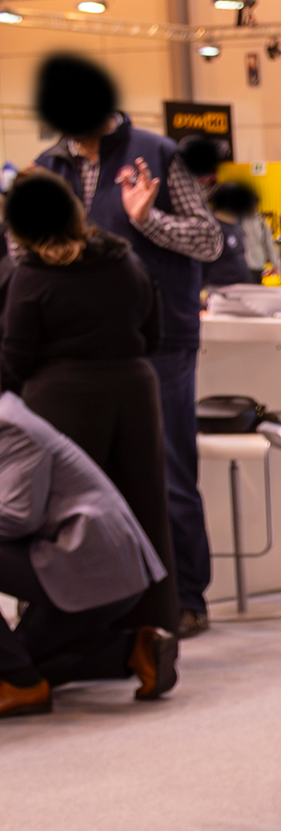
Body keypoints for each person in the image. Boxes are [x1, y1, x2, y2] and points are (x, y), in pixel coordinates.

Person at [28, 56, 222, 638]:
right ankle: (116, 607)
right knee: (90, 478)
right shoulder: (48, 168)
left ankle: (188, 597)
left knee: (168, 470)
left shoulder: (158, 154)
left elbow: (208, 238)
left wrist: (147, 220)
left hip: (159, 340)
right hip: (77, 348)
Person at [0, 170, 178, 633]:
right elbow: (154, 333)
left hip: (62, 401)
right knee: (144, 517)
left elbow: (14, 359)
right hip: (136, 394)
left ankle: (71, 646)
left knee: (66, 528)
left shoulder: (32, 278)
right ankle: (152, 635)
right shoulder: (127, 261)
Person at [0, 388, 178, 717]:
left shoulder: (10, 424)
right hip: (96, 567)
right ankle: (135, 651)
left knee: (16, 667)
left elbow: (18, 516)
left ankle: (22, 685)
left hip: (91, 565)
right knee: (28, 659)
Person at [204, 182, 279, 289]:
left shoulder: (258, 222)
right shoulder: (219, 227)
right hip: (224, 287)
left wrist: (276, 265)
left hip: (254, 269)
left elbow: (268, 244)